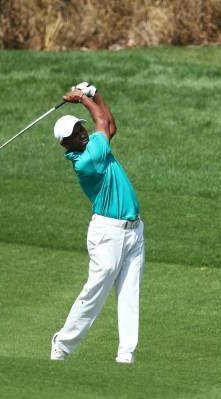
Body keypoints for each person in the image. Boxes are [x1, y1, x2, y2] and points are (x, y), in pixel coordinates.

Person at [50, 82, 145, 364]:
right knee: (96, 290)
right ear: (65, 145)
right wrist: (82, 98)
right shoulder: (86, 161)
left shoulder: (94, 145)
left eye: (80, 128)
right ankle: (62, 344)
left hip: (133, 230)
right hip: (108, 234)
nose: (81, 133)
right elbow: (101, 121)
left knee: (130, 293)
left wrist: (95, 95)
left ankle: (126, 355)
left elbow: (109, 125)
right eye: (74, 134)